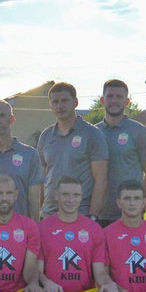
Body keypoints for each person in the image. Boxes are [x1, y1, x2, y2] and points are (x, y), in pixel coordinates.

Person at [36, 82, 109, 218]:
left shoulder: (92, 134)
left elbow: (101, 180)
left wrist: (93, 216)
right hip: (49, 213)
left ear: (75, 102)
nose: (60, 106)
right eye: (55, 102)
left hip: (80, 214)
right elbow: (41, 180)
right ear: (50, 105)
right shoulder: (45, 136)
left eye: (65, 100)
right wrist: (39, 210)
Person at [96, 80, 146, 228]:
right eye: (110, 96)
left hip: (128, 216)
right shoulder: (93, 133)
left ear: (127, 101)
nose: (114, 100)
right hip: (97, 214)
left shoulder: (140, 132)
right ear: (102, 100)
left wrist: (140, 207)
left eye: (119, 97)